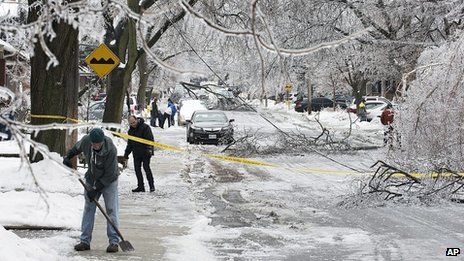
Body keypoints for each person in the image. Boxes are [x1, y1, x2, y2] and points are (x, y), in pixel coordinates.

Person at [63, 128, 120, 253]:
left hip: (109, 181)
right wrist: (68, 156)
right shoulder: (86, 140)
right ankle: (85, 241)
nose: (96, 146)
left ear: (102, 141)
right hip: (92, 177)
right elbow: (76, 148)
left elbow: (110, 174)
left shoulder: (110, 149)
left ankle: (114, 242)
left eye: (98, 144)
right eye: (94, 143)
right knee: (89, 208)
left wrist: (95, 189)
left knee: (111, 209)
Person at [124, 115, 155, 192]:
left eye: (134, 122)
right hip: (136, 153)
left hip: (145, 152)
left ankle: (151, 186)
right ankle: (140, 186)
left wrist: (150, 150)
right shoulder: (130, 131)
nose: (133, 124)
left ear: (137, 120)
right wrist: (126, 154)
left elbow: (150, 140)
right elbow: (130, 144)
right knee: (137, 170)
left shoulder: (145, 127)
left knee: (146, 168)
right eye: (131, 123)